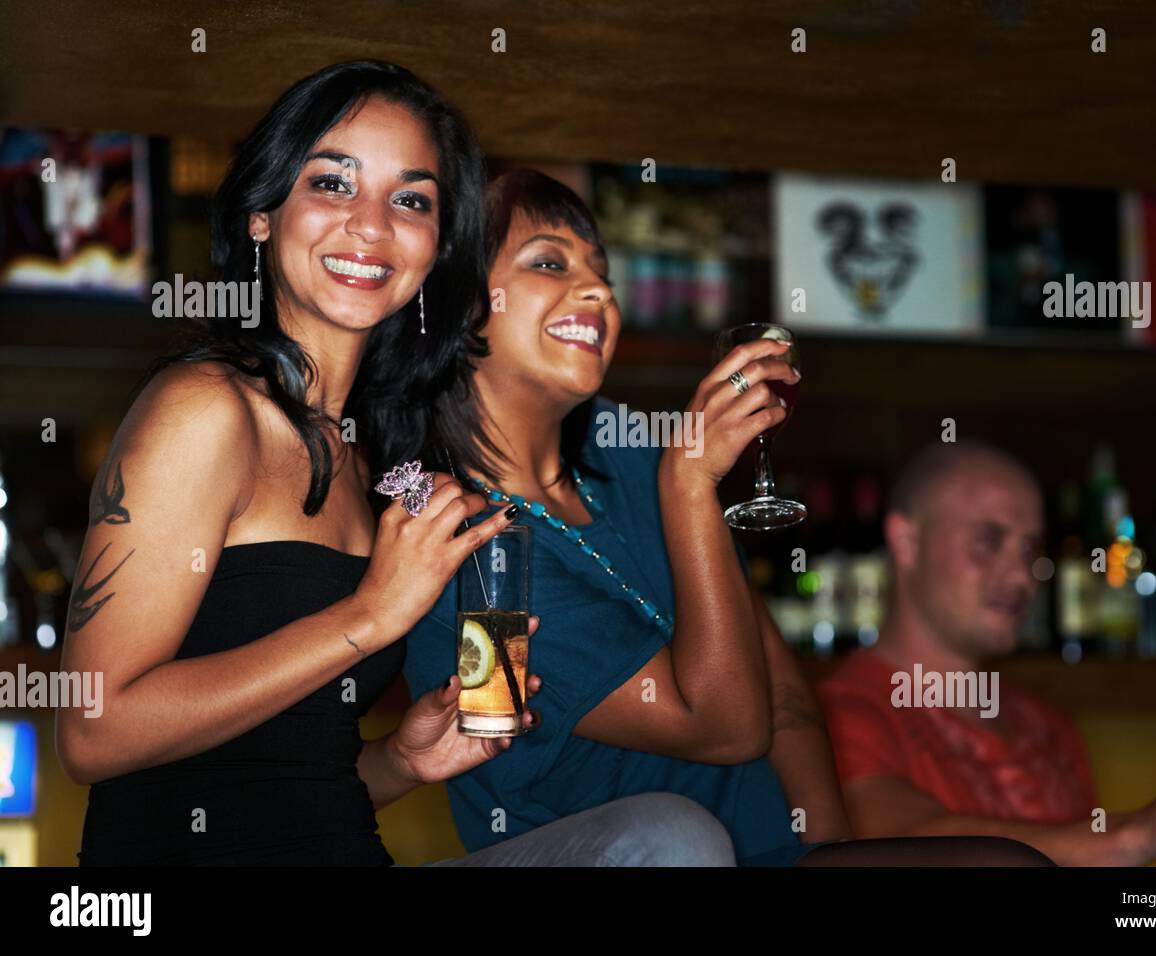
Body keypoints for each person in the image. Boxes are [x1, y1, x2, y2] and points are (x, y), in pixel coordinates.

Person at [59, 61, 733, 867]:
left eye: (410, 199)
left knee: (669, 836)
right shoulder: (208, 408)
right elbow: (93, 731)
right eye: (333, 184)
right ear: (262, 214)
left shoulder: (381, 457)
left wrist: (402, 762)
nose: (371, 225)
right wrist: (367, 618)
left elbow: (284, 776)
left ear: (435, 250)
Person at [405, 169, 1052, 867]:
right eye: (549, 263)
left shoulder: (624, 450)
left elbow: (780, 691)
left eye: (602, 272)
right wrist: (690, 483)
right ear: (460, 305)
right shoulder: (456, 535)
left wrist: (827, 848)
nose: (597, 291)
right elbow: (726, 729)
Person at [816, 440, 1156, 865]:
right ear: (905, 541)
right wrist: (1140, 832)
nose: (1020, 576)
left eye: (1029, 549)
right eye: (988, 541)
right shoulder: (840, 713)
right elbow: (896, 840)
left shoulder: (1046, 727)